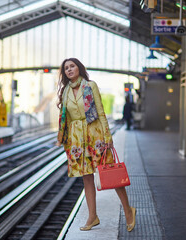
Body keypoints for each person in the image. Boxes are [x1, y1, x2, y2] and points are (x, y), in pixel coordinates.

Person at [56, 58, 136, 232]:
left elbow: (100, 112)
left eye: (72, 66)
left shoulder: (90, 86)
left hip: (95, 134)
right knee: (86, 177)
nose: (69, 70)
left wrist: (108, 136)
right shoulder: (65, 92)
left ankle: (129, 211)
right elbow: (66, 118)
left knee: (110, 172)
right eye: (66, 68)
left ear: (79, 68)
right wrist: (65, 140)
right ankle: (93, 217)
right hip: (77, 139)